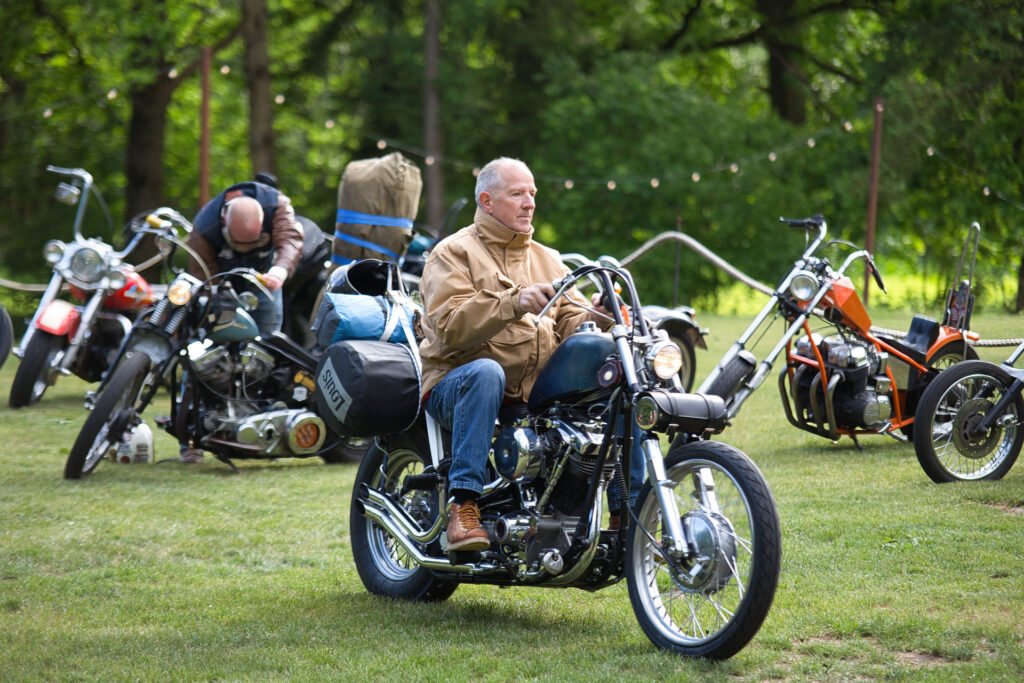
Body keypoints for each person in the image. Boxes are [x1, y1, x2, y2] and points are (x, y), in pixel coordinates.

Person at [418, 157, 644, 551]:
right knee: (486, 371)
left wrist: (600, 317)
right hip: (458, 383)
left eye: (533, 194)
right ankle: (463, 506)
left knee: (621, 380)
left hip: (534, 394)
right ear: (487, 201)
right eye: (517, 194)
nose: (529, 203)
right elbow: (449, 326)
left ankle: (631, 513)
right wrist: (513, 301)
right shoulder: (453, 253)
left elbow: (570, 321)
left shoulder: (547, 258)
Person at [187, 179, 304, 337]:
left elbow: (290, 239)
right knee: (220, 335)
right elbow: (202, 269)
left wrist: (280, 270)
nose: (246, 249)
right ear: (224, 220)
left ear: (263, 221)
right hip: (222, 283)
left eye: (253, 243)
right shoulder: (204, 227)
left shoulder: (276, 205)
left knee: (268, 337)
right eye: (238, 243)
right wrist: (219, 293)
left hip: (265, 279)